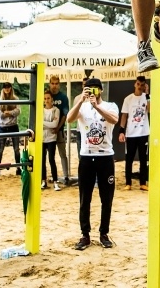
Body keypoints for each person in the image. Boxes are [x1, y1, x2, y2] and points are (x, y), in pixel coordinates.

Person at [67, 78, 119, 251]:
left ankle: (104, 233)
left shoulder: (110, 105)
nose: (92, 92)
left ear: (101, 90)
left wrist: (96, 106)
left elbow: (114, 120)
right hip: (87, 157)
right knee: (85, 198)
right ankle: (85, 234)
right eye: (89, 89)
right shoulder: (81, 106)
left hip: (105, 156)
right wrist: (81, 101)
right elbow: (69, 119)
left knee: (107, 198)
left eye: (95, 89)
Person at [119, 76, 150, 191]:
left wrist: (147, 95)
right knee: (129, 158)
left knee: (143, 158)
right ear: (135, 84)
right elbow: (124, 115)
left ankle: (143, 183)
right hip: (131, 133)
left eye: (142, 85)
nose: (140, 87)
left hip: (143, 132)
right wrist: (121, 131)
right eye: (138, 84)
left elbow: (150, 110)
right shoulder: (128, 99)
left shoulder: (147, 97)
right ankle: (128, 183)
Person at [47, 75, 72, 185]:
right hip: (47, 131)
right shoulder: (46, 95)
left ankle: (66, 176)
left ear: (59, 84)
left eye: (56, 83)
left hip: (59, 130)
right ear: (49, 84)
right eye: (52, 83)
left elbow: (65, 114)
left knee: (62, 153)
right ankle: (49, 176)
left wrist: (58, 128)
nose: (54, 86)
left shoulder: (63, 97)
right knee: (48, 155)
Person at [0, 82, 22, 175]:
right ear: (2, 89)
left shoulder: (16, 99)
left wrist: (8, 112)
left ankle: (18, 167)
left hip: (13, 126)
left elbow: (18, 111)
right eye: (5, 87)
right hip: (3, 127)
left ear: (11, 88)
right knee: (0, 149)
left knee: (16, 149)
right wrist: (10, 113)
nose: (7, 89)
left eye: (8, 87)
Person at [41, 91, 61, 191]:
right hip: (42, 138)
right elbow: (39, 123)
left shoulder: (56, 110)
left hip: (51, 138)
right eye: (45, 98)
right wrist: (48, 123)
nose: (46, 100)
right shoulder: (41, 110)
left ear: (52, 99)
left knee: (51, 159)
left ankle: (55, 181)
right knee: (42, 160)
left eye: (48, 98)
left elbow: (54, 124)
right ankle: (43, 180)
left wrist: (43, 123)